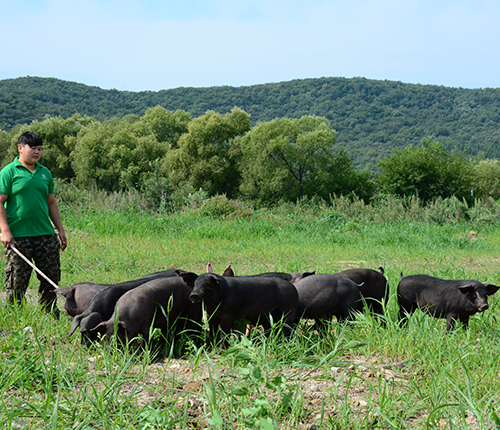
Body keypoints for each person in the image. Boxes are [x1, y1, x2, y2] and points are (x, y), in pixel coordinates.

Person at [0, 131, 67, 317]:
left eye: (40, 149)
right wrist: (5, 230)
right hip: (18, 237)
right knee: (16, 282)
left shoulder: (44, 172)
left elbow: (51, 202)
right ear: (20, 148)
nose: (37, 152)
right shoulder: (9, 172)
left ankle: (49, 314)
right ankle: (14, 318)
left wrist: (60, 230)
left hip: (45, 234)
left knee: (51, 278)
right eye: (33, 148)